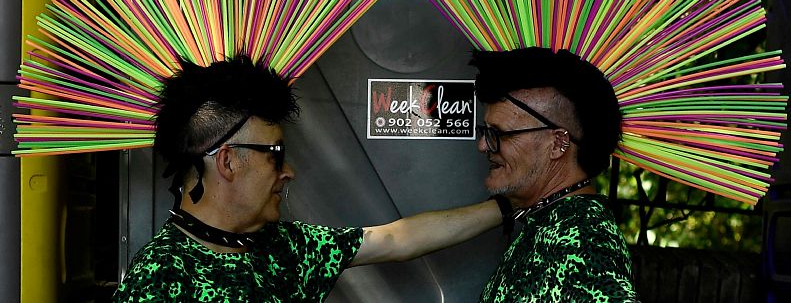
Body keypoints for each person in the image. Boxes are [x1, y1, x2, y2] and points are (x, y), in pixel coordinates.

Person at [113, 55, 502, 302]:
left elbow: (394, 239)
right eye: (275, 155)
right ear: (228, 161)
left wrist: (506, 206)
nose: (289, 172)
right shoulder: (160, 279)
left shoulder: (284, 246)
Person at [471, 46, 638, 302]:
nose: (483, 145)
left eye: (500, 134)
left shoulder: (582, 243)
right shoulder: (550, 221)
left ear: (558, 143)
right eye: (486, 132)